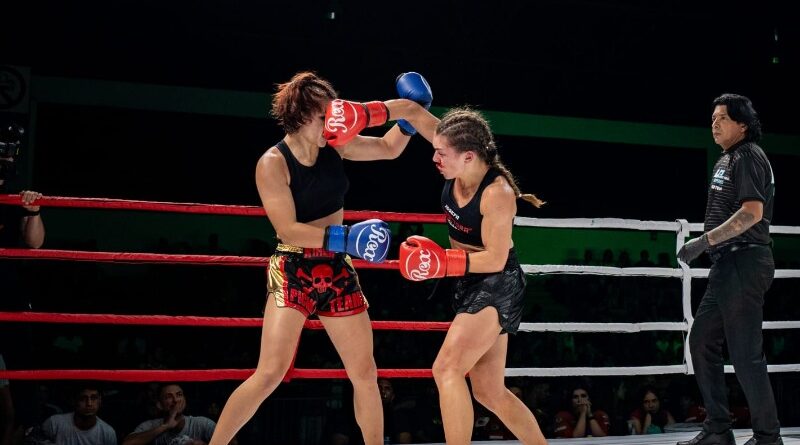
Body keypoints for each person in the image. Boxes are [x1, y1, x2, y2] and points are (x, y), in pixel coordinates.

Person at [206, 71, 435, 445]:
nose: (333, 123)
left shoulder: (336, 145)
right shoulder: (273, 163)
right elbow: (288, 229)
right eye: (323, 116)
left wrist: (411, 117)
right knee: (270, 373)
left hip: (337, 267)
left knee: (365, 373)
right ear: (299, 116)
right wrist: (347, 238)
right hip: (294, 267)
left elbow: (387, 148)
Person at [398, 107, 547, 445]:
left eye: (441, 153)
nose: (434, 157)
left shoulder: (497, 194)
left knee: (446, 368)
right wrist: (366, 113)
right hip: (468, 279)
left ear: (468, 157)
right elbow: (411, 111)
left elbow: (495, 259)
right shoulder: (455, 144)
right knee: (489, 391)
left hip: (496, 282)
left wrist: (443, 263)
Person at [677, 94, 781, 445]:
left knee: (745, 355)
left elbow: (752, 212)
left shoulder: (748, 155)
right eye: (712, 118)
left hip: (744, 261)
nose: (715, 124)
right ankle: (719, 429)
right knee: (702, 340)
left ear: (743, 124)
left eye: (722, 118)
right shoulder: (729, 157)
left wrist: (703, 241)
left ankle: (768, 438)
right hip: (728, 265)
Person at [123, 383, 217, 445]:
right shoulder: (150, 425)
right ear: (159, 405)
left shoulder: (202, 423)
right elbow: (127, 443)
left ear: (184, 400)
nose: (175, 400)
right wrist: (165, 426)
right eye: (169, 397)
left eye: (179, 395)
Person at [30, 383, 117, 445]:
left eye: (94, 398)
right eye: (83, 398)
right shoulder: (54, 423)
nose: (89, 403)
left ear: (100, 401)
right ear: (74, 401)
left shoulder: (108, 433)